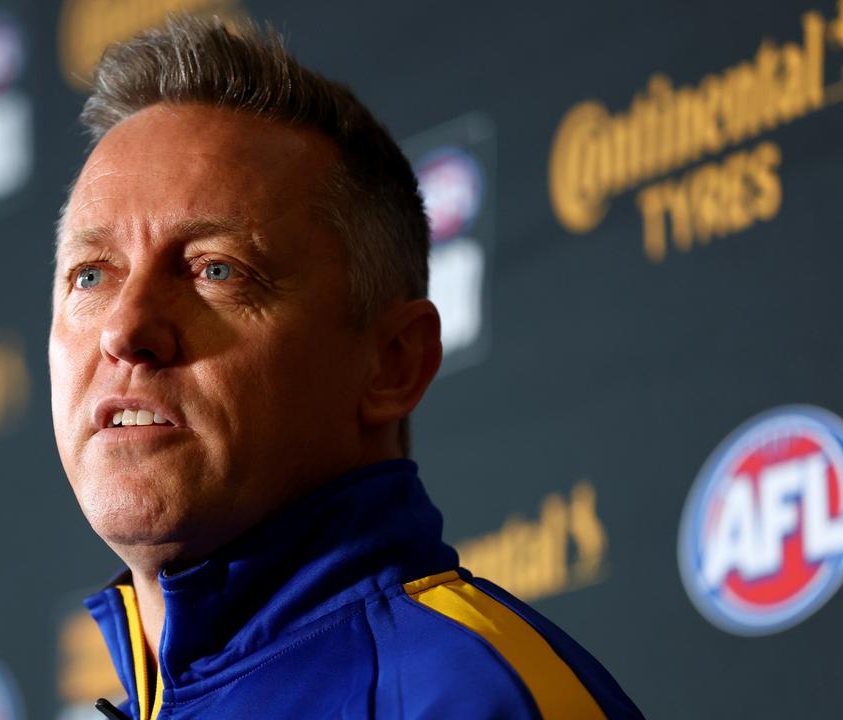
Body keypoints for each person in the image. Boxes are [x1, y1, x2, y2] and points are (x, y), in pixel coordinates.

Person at [49, 14, 642, 719]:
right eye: (90, 276)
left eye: (216, 270)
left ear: (393, 364)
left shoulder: (466, 702)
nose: (125, 327)